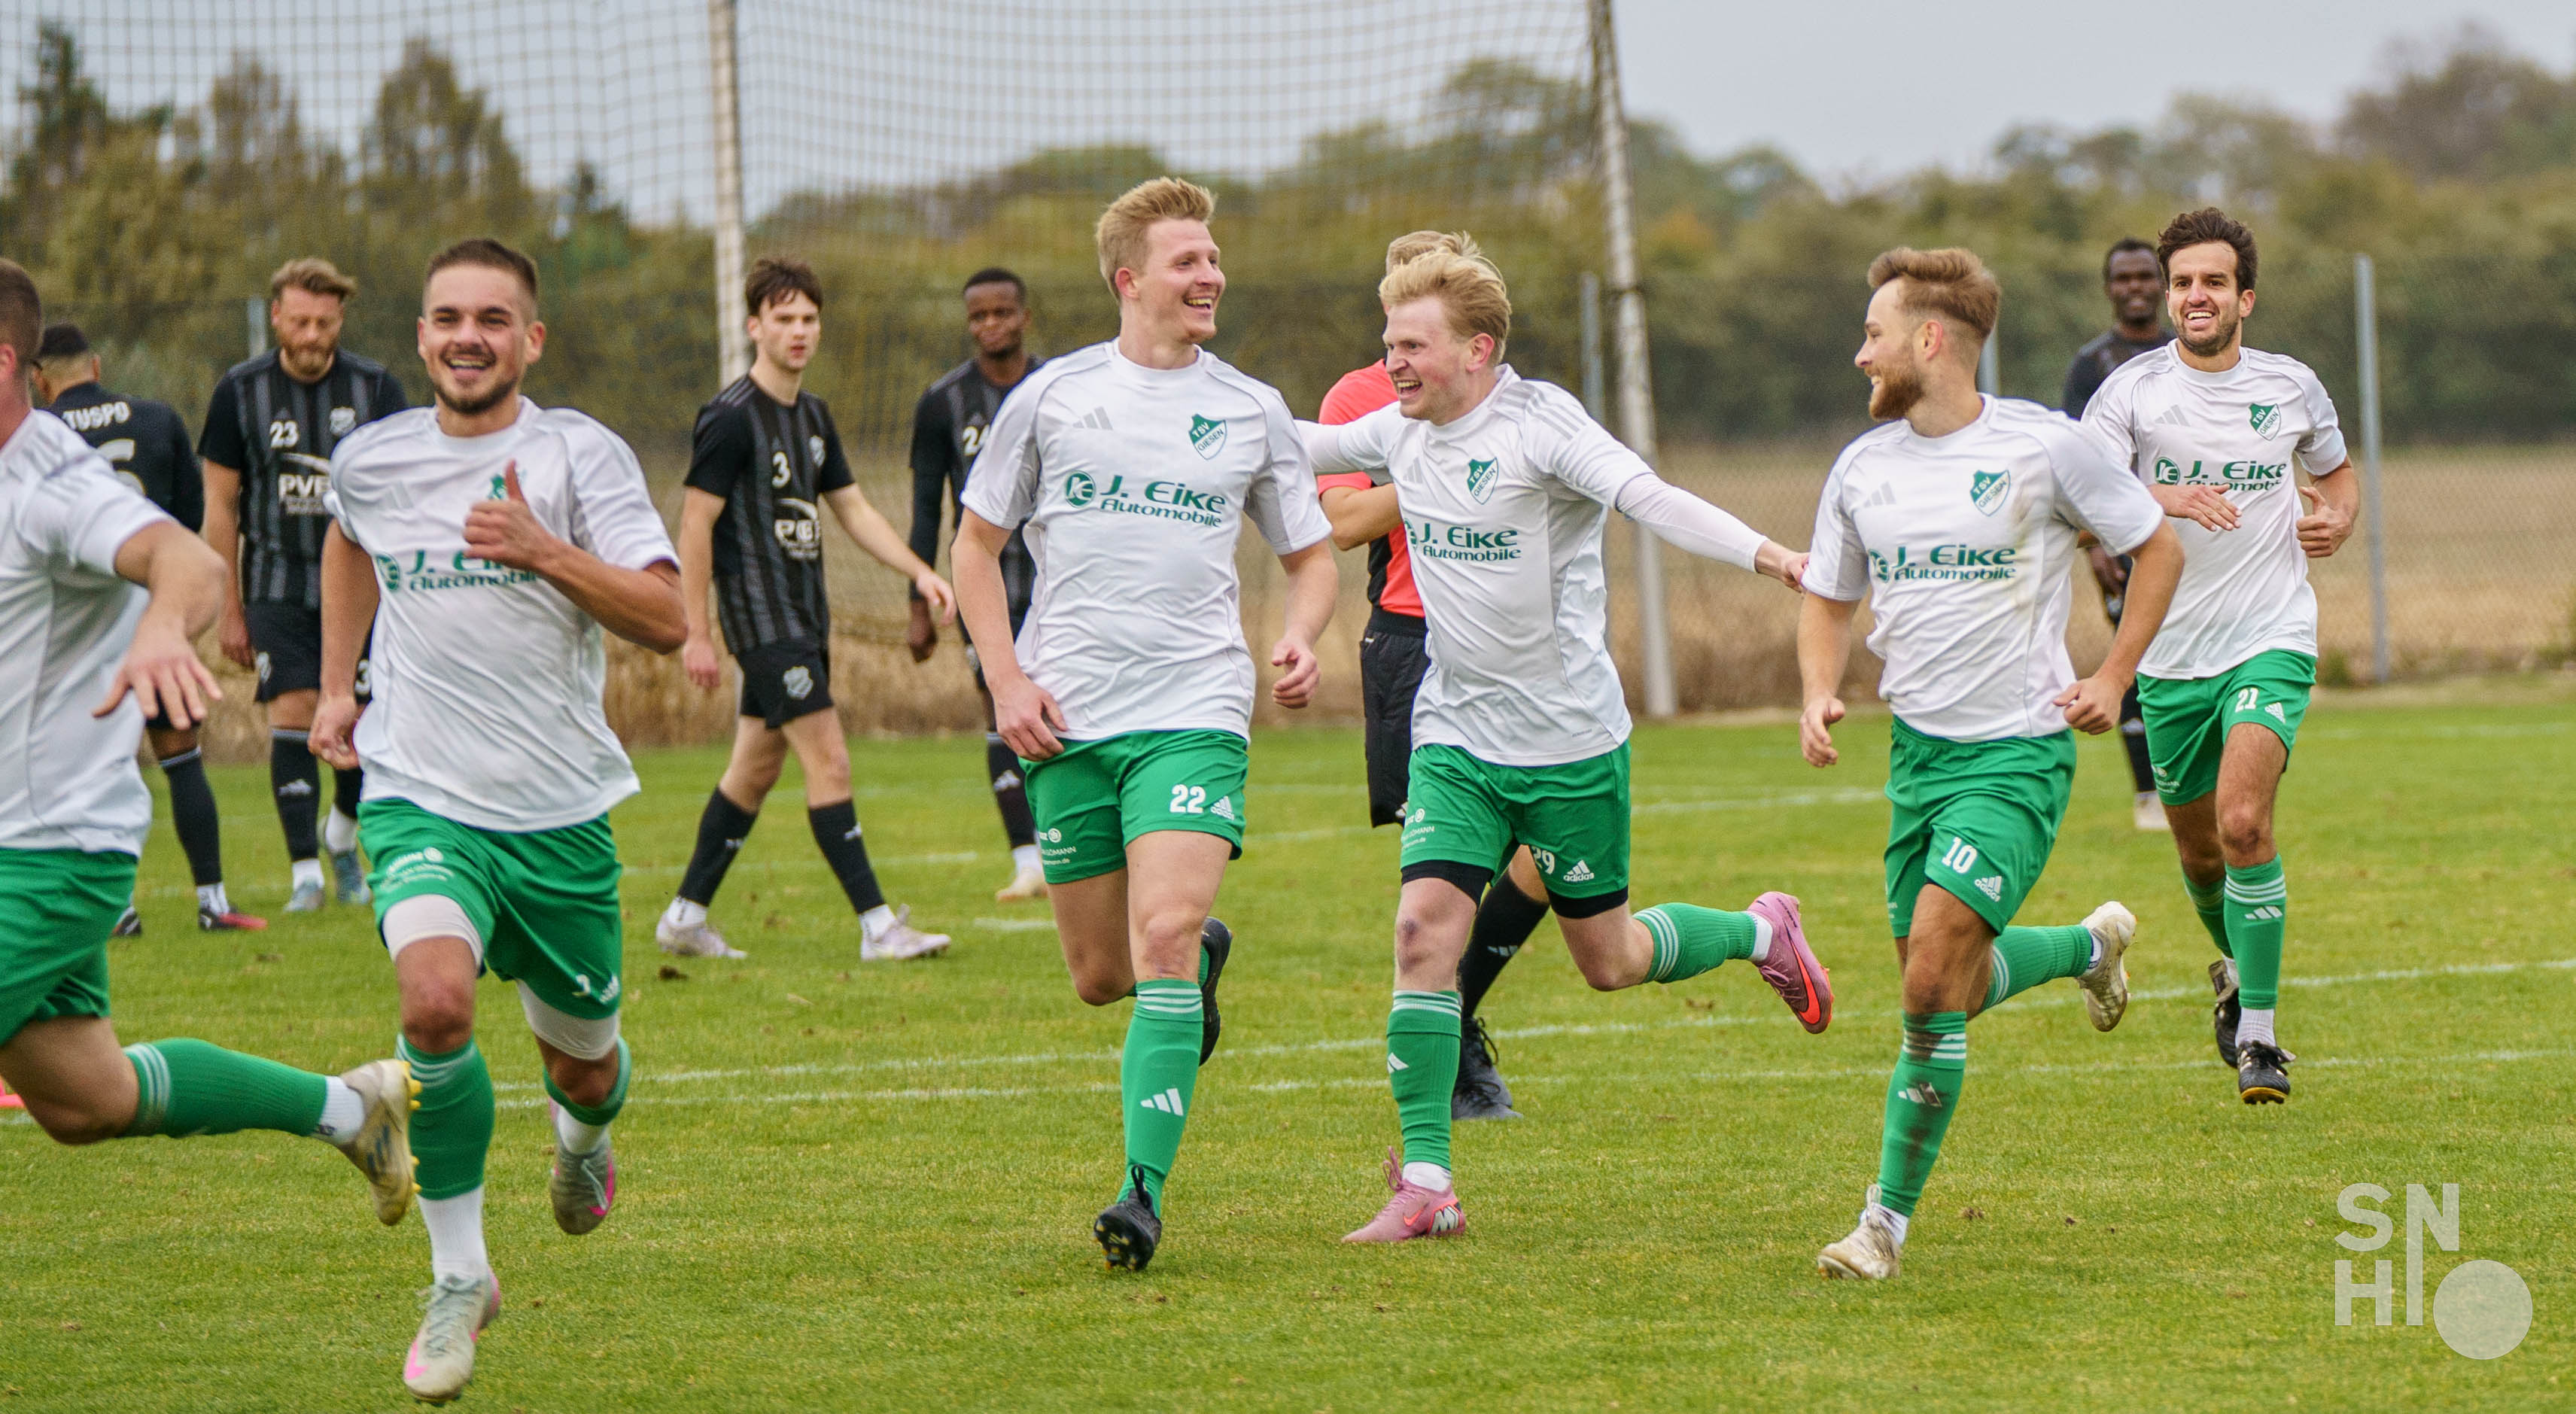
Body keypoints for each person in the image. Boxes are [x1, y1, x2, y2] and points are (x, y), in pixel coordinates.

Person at [1300, 239, 1833, 1245]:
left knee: (1610, 959)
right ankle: (1428, 1181)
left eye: (1410, 346)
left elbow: (1651, 498)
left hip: (1567, 743)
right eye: (1388, 344)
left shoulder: (1541, 427)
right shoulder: (1400, 430)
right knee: (1421, 935)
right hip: (1456, 733)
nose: (1392, 363)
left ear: (1476, 349)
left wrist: (1772, 556)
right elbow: (1291, 443)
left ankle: (1761, 932)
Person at [309, 238, 685, 1402]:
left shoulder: (577, 454)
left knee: (584, 1069)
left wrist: (543, 549)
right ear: (421, 335)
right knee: (433, 1003)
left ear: (531, 339)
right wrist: (337, 683)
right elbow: (347, 539)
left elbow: (666, 616)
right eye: (446, 317)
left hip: (559, 811)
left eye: (490, 319)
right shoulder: (372, 457)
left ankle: (583, 1145)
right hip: (418, 789)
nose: (466, 336)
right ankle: (460, 1273)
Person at [0, 257, 416, 1278]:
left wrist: (160, 630)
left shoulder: (51, 482)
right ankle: (350, 1107)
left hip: (44, 853)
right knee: (87, 1099)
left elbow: (187, 560)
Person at [953, 178, 1338, 1273]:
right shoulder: (1052, 397)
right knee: (1099, 973)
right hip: (1067, 718)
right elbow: (975, 548)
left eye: (1212, 259)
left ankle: (1141, 1192)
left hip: (1193, 711)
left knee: (1159, 933)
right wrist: (1006, 682)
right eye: (1187, 261)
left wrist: (1300, 634)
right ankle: (1195, 964)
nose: (1210, 275)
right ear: (1129, 279)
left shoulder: (1251, 407)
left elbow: (1311, 557)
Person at [1798, 246, 2182, 1282]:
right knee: (1949, 992)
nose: (1860, 354)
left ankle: (1881, 1225)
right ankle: (2086, 947)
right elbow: (1828, 597)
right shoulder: (1861, 466)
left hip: (2015, 755)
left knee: (1929, 981)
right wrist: (1816, 687)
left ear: (1929, 340)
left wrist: (2112, 676)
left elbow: (2156, 548)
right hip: (1916, 759)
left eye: (1873, 334)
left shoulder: (2043, 447)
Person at [2079, 208, 2358, 1106]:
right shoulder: (2128, 393)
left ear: (2245, 297)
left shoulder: (2291, 385)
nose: (2194, 296)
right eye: (2182, 283)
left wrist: (2337, 517)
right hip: (2169, 655)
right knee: (2202, 857)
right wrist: (2167, 495)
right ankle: (2235, 975)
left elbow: (2336, 474)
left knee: (2244, 824)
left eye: (2212, 282)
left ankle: (2262, 1039)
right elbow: (2082, 501)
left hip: (2270, 635)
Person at [1309, 233, 1550, 1124]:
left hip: (1515, 646)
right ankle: (1452, 1059)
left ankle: (1457, 1011)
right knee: (1448, 867)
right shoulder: (1361, 397)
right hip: (1413, 640)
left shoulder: (1503, 396)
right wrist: (1445, 468)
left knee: (1545, 854)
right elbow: (1343, 521)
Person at [655, 257, 958, 962]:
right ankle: (878, 927)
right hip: (763, 625)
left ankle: (684, 917)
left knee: (753, 771)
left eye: (809, 318)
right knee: (831, 761)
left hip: (805, 619)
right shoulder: (730, 417)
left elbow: (853, 509)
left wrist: (920, 571)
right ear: (754, 326)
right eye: (784, 318)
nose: (798, 330)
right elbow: (695, 525)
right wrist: (696, 631)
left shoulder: (814, 416)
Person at [32, 322, 263, 932]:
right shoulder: (158, 418)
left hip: (80, 624)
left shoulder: (39, 433)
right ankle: (212, 900)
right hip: (159, 610)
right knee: (182, 757)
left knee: (95, 768)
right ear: (96, 366)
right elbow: (189, 519)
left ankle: (119, 909)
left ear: (38, 379)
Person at [200, 258, 408, 912]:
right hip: (276, 585)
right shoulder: (239, 393)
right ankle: (305, 877)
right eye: (300, 321)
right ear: (276, 318)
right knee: (292, 713)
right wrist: (228, 609)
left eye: (324, 322)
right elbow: (219, 508)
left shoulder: (376, 389)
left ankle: (340, 837)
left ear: (340, 318)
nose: (312, 335)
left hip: (366, 589)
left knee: (363, 722)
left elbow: (403, 494)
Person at [905, 267, 1048, 902]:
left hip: (1058, 583)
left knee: (1068, 707)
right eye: (978, 316)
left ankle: (1074, 846)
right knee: (1001, 709)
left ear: (1024, 316)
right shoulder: (942, 403)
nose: (991, 325)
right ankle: (1028, 860)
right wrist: (917, 601)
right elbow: (925, 510)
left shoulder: (1057, 389)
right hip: (983, 588)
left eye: (1002, 313)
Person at [2063, 237, 2176, 830]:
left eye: (2143, 276)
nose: (2134, 287)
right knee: (2131, 659)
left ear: (2160, 284)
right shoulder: (2091, 364)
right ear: (2108, 288)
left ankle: (2192, 783)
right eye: (2123, 278)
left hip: (2184, 532)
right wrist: (2096, 547)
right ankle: (2147, 794)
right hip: (2118, 538)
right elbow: (2077, 461)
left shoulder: (2180, 353)